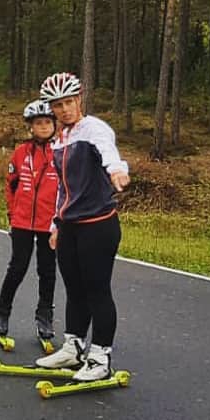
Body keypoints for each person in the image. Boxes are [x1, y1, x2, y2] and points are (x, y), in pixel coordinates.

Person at [35, 72, 130, 381]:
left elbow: (108, 152)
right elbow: (64, 188)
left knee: (97, 291)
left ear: (80, 99)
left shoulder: (94, 129)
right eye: (58, 105)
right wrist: (55, 223)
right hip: (70, 226)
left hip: (98, 225)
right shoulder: (61, 138)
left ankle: (101, 357)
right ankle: (73, 347)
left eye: (69, 102)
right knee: (75, 290)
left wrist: (117, 171)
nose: (64, 110)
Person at [0, 100, 59, 347]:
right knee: (17, 267)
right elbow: (11, 185)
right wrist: (12, 214)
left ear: (54, 125)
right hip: (22, 222)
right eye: (38, 123)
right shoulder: (21, 152)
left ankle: (45, 317)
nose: (43, 127)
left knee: (47, 271)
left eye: (47, 122)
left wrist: (60, 221)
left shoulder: (61, 152)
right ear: (30, 127)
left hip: (49, 224)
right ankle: (1, 312)